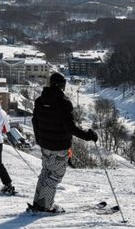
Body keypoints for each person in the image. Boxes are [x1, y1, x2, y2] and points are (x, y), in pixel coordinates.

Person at [30, 72, 98, 213]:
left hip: (45, 145)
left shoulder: (39, 101)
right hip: (59, 146)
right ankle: (45, 206)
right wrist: (88, 136)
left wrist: (39, 139)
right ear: (62, 86)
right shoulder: (63, 103)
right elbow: (70, 127)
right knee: (54, 176)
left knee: (46, 172)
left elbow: (34, 121)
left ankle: (38, 202)